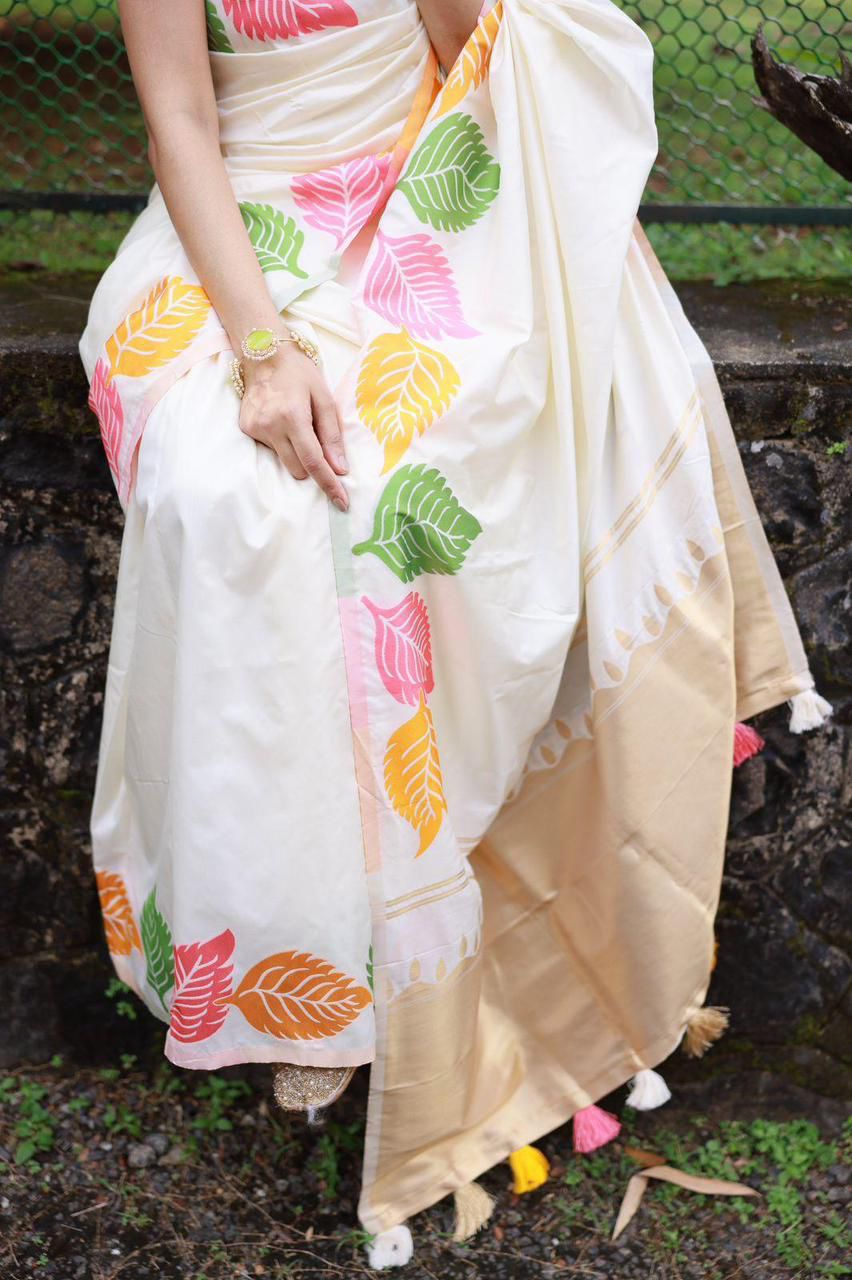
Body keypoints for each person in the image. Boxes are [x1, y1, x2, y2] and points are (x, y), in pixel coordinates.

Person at [79, 0, 833, 1267]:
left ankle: (445, 946)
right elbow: (182, 123)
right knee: (229, 492)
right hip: (238, 228)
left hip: (424, 187)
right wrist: (264, 352)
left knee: (405, 485)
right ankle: (310, 975)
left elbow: (468, 51)